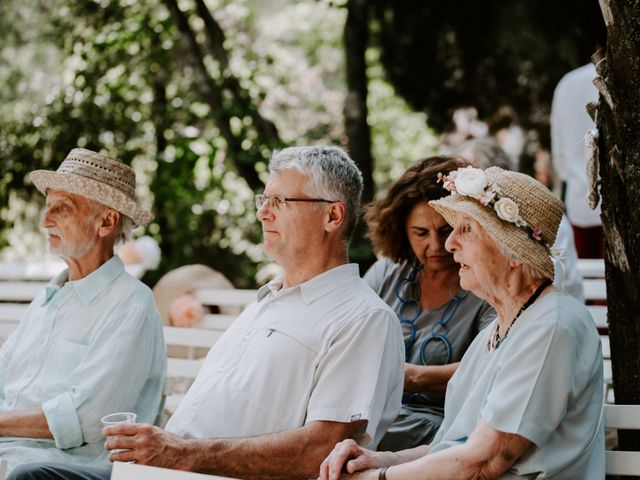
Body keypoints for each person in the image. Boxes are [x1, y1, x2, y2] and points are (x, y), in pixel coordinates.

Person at [11, 145, 404, 480]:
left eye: (280, 202)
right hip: (159, 471)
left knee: (32, 477)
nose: (263, 213)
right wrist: (166, 451)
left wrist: (179, 453)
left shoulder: (362, 318)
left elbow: (321, 449)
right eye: (262, 201)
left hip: (191, 473)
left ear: (332, 217)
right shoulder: (268, 302)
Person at [320, 166, 604, 479]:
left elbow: (483, 462)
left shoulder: (552, 327)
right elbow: (450, 446)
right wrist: (378, 459)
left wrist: (378, 478)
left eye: (466, 229)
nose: (450, 243)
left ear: (513, 252)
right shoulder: (498, 332)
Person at [0, 148, 166, 473]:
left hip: (62, 466)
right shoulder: (49, 297)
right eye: (48, 207)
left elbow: (86, 419)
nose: (44, 220)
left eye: (61, 208)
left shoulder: (132, 304)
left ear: (106, 222)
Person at [363, 156, 495, 451]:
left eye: (446, 230)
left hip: (445, 429)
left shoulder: (485, 286)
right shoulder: (385, 274)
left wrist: (411, 378)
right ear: (401, 230)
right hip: (372, 419)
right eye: (421, 233)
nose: (437, 247)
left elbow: (492, 367)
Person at [456, 137, 585, 302]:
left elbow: (550, 285)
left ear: (499, 171)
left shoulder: (537, 216)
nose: (462, 184)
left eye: (470, 175)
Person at [551, 63, 603, 258]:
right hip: (622, 203)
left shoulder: (568, 83)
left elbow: (559, 149)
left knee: (583, 274)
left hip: (579, 197)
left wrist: (572, 176)